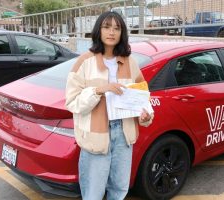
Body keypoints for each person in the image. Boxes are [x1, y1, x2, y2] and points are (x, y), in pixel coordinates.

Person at [65, 11, 154, 200]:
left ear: (122, 33)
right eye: (107, 27)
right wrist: (99, 90)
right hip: (95, 137)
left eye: (117, 28)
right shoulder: (84, 62)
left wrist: (145, 115)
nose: (111, 32)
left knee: (120, 190)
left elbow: (142, 95)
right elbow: (72, 102)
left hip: (123, 134)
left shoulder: (130, 62)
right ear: (99, 30)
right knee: (93, 193)